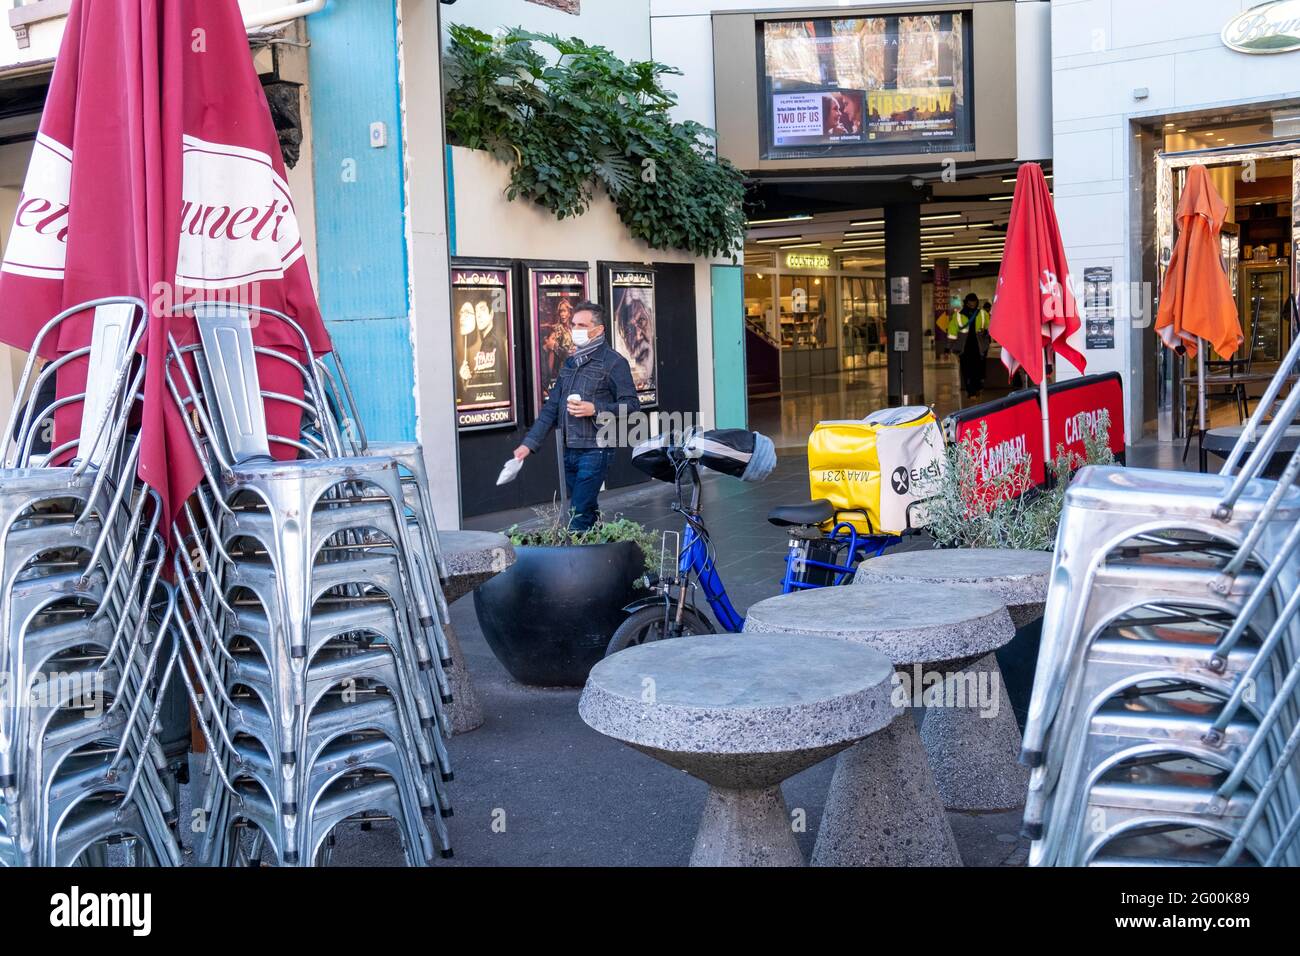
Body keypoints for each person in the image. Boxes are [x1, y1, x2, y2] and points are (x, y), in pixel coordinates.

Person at [514, 301, 638, 531]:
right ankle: (603, 551)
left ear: (598, 330)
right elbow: (552, 408)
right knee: (586, 509)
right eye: (573, 324)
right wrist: (528, 445)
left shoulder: (613, 362)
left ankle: (576, 562)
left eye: (582, 325)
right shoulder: (570, 363)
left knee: (578, 515)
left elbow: (631, 405)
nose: (575, 329)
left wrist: (596, 409)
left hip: (596, 449)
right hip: (568, 450)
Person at [948, 292, 991, 399]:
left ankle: (977, 387)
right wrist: (949, 347)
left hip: (979, 346)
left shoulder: (982, 313)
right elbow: (952, 331)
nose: (972, 303)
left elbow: (989, 327)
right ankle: (970, 391)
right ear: (966, 302)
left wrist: (987, 332)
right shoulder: (958, 315)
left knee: (979, 369)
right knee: (967, 370)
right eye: (970, 301)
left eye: (974, 301)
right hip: (964, 347)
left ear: (977, 302)